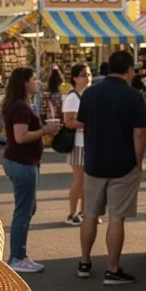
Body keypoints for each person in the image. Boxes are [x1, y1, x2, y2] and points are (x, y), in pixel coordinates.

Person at [76, 49, 146, 285]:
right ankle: (112, 268)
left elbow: (83, 124)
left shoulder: (90, 93)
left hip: (94, 162)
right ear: (129, 71)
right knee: (116, 217)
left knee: (90, 213)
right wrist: (139, 161)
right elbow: (139, 133)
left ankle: (85, 262)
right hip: (124, 164)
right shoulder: (134, 96)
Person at [1, 67, 61, 273]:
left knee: (28, 207)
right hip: (22, 162)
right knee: (24, 209)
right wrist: (44, 130)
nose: (38, 82)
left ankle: (20, 254)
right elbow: (20, 137)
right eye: (34, 79)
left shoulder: (21, 105)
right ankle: (17, 256)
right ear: (25, 83)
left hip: (26, 161)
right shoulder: (19, 107)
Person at [62, 62, 90, 225]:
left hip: (89, 143)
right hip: (77, 144)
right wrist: (86, 124)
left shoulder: (89, 94)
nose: (87, 78)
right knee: (79, 180)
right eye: (83, 75)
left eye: (88, 74)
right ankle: (72, 212)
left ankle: (84, 212)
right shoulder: (72, 97)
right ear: (75, 78)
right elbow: (68, 122)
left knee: (87, 181)